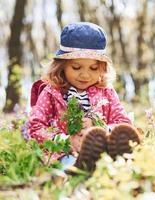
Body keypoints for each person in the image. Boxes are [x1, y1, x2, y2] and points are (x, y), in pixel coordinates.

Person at [28, 22, 141, 172]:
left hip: (101, 148)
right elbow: (35, 127)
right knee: (68, 164)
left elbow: (122, 120)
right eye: (76, 67)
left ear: (102, 68)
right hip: (63, 152)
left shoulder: (106, 91)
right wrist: (66, 140)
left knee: (114, 159)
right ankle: (78, 171)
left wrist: (99, 128)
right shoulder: (51, 92)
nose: (85, 75)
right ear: (62, 65)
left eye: (93, 68)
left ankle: (114, 163)